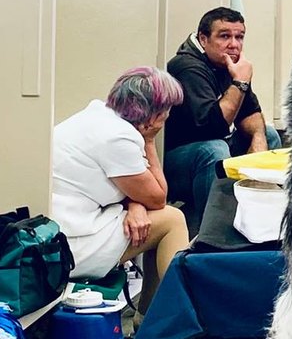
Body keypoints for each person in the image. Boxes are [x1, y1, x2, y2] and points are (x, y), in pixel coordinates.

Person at [51, 67, 189, 316]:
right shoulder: (120, 138)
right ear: (153, 116)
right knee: (172, 220)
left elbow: (126, 187)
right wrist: (149, 141)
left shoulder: (96, 116)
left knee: (154, 224)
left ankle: (149, 318)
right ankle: (178, 316)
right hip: (73, 246)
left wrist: (136, 205)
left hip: (58, 233)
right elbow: (158, 197)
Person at [163, 6, 282, 232]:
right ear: (203, 39)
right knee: (214, 150)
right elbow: (212, 126)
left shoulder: (227, 64)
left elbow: (251, 112)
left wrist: (258, 141)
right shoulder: (187, 67)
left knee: (269, 135)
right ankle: (214, 233)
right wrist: (240, 83)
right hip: (176, 163)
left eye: (239, 37)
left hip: (213, 149)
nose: (234, 44)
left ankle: (260, 222)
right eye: (225, 36)